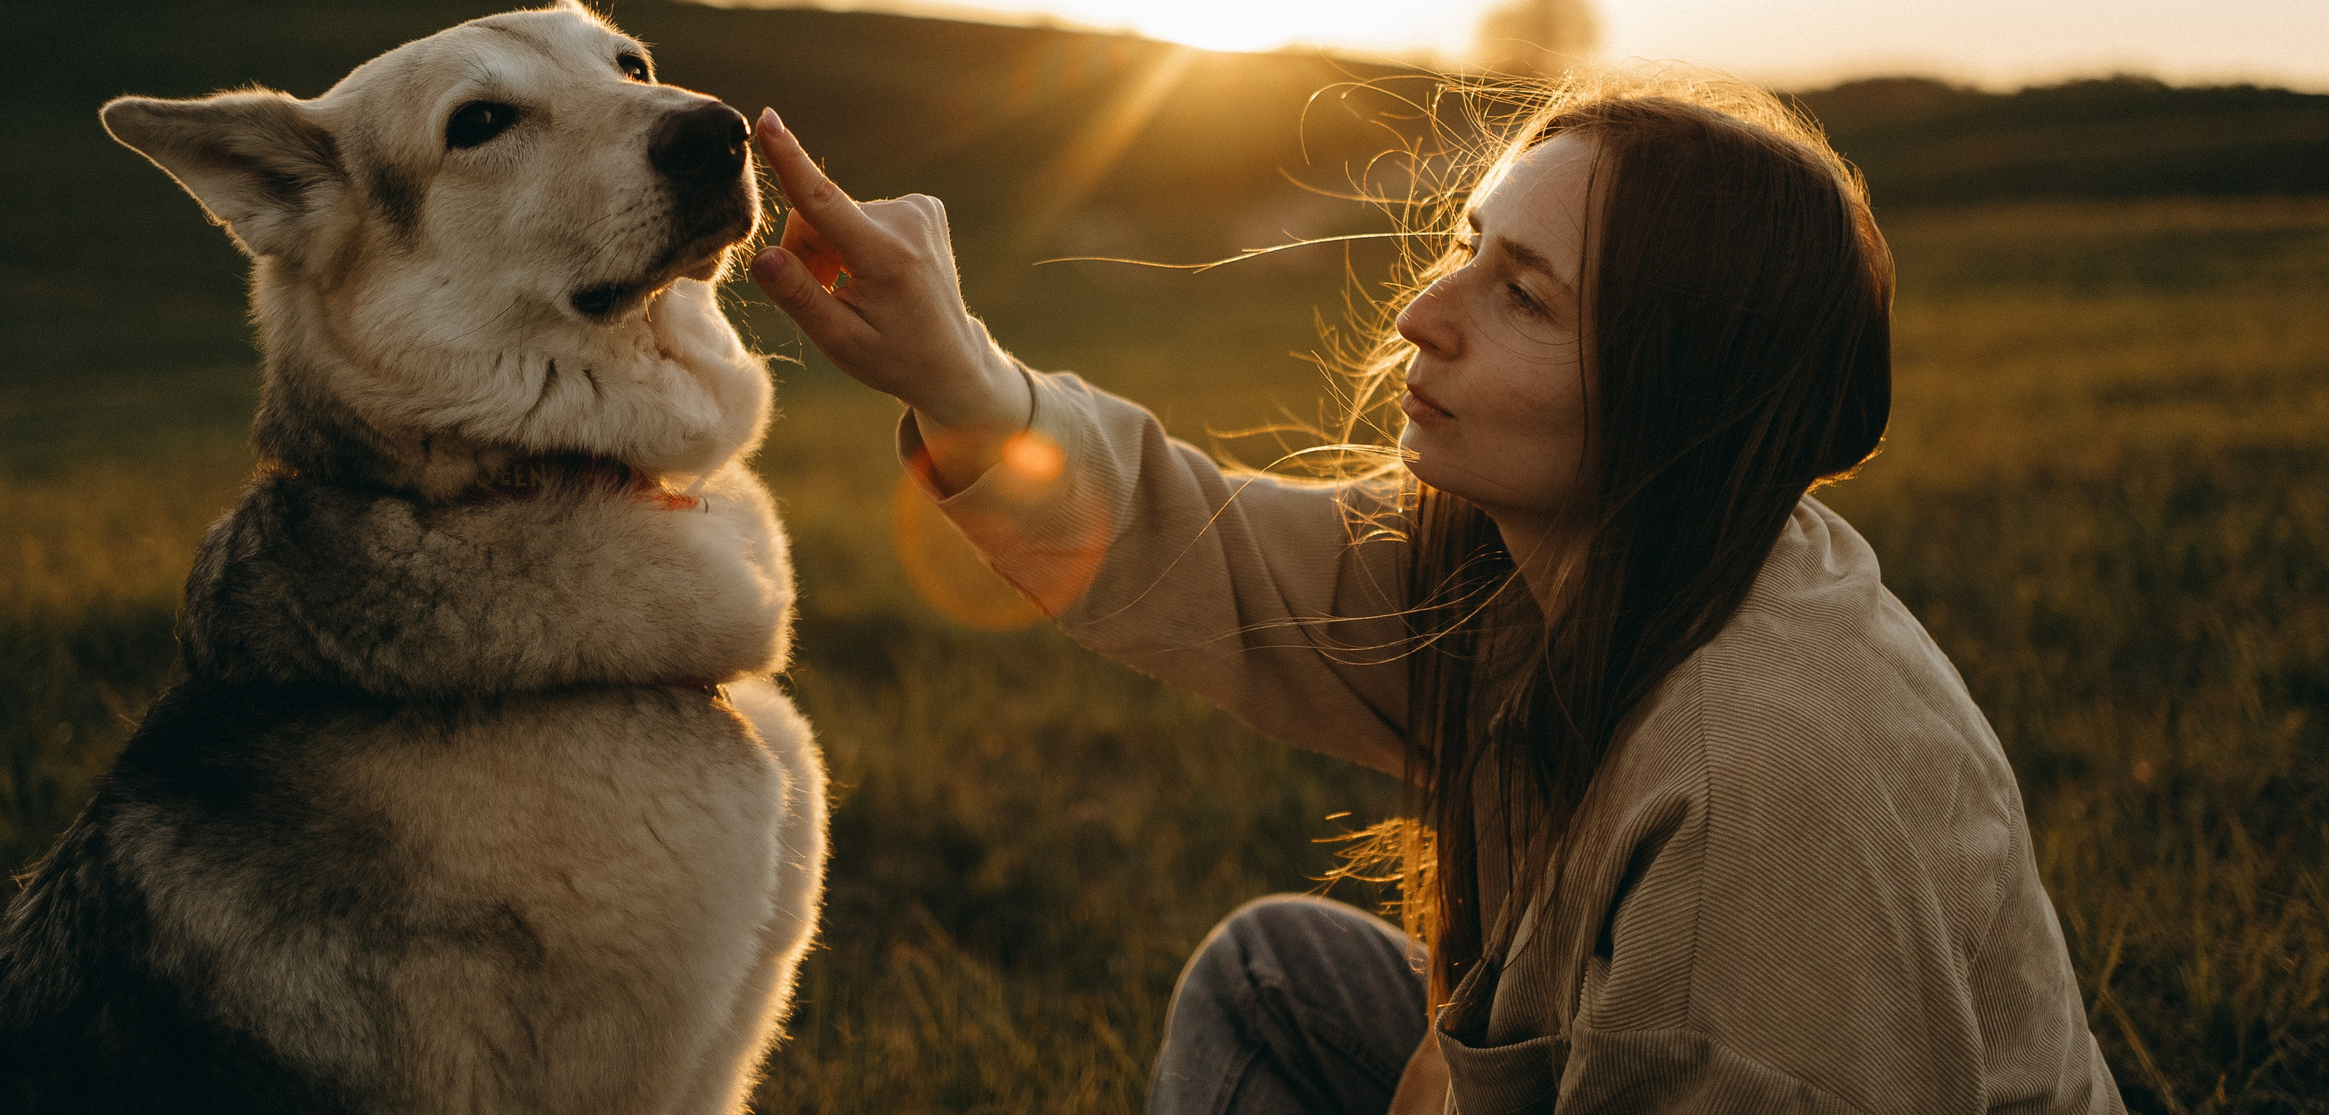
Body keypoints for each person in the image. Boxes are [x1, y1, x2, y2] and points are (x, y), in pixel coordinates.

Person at [744, 76, 2122, 1114]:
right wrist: (956, 372)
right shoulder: (1560, 559)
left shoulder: (1762, 794)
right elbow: (1216, 556)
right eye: (1466, 246)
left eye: (1522, 295)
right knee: (1274, 975)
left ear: (1673, 393)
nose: (1423, 311)